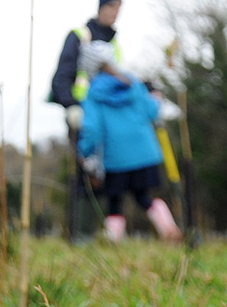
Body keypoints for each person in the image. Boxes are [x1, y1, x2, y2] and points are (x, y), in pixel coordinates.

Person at [76, 41, 182, 242]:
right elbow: (152, 112)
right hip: (145, 153)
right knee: (143, 196)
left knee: (114, 200)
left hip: (115, 157)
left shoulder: (93, 94)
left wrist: (84, 151)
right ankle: (169, 229)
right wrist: (156, 98)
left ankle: (114, 241)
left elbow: (93, 129)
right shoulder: (132, 83)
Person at [50, 0, 123, 241]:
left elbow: (118, 78)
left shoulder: (115, 44)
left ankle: (97, 233)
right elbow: (63, 73)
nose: (114, 13)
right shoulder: (80, 36)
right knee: (82, 170)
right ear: (101, 8)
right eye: (111, 8)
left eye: (118, 9)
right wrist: (70, 104)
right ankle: (78, 235)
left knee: (105, 173)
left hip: (106, 116)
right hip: (81, 112)